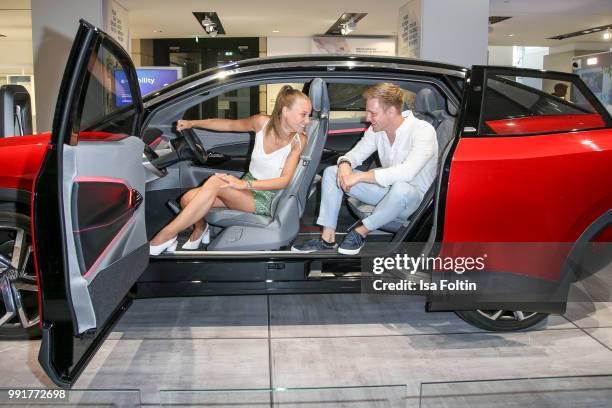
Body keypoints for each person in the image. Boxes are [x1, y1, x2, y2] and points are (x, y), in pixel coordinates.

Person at [149, 86, 311, 255]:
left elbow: (284, 180)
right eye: (303, 114)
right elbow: (227, 124)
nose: (307, 121)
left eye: (308, 115)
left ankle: (166, 235)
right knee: (187, 199)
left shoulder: (299, 140)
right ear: (285, 111)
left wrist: (243, 184)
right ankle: (201, 228)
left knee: (216, 182)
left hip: (269, 196)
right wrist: (193, 123)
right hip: (248, 189)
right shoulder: (261, 123)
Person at [292, 83, 437, 255]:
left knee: (401, 188)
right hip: (387, 192)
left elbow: (407, 172)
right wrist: (345, 164)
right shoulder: (377, 130)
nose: (368, 118)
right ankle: (327, 239)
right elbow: (355, 154)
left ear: (391, 111)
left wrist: (360, 177)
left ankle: (361, 232)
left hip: (415, 200)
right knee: (332, 172)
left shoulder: (422, 130)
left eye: (373, 113)